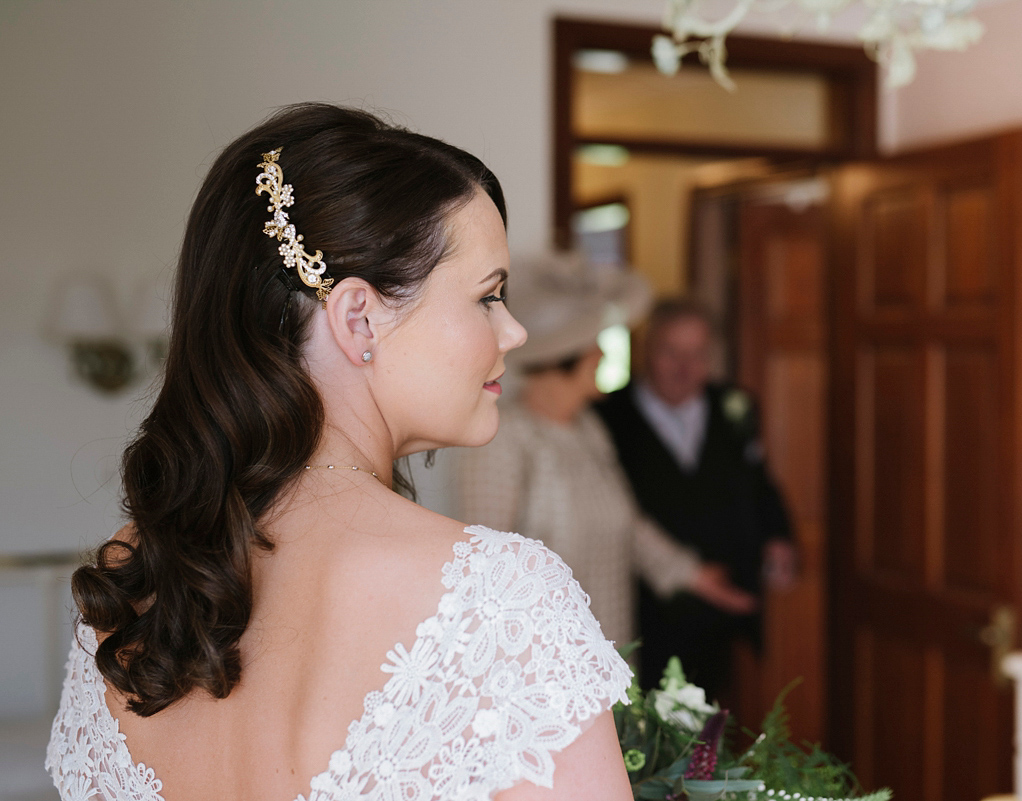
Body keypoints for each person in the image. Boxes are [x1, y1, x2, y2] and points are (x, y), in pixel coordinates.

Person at [46, 104, 634, 801]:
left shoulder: (138, 577)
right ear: (358, 318)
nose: (513, 331)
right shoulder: (501, 601)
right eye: (488, 296)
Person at [456, 259, 756, 648]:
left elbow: (629, 526)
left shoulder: (589, 430)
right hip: (543, 664)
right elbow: (486, 568)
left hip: (610, 653)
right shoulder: (504, 436)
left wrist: (692, 574)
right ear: (566, 355)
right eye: (595, 345)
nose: (603, 357)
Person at [594, 299, 794, 700]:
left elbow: (758, 481)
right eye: (672, 352)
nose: (684, 367)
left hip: (724, 604)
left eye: (697, 355)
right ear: (647, 349)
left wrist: (778, 536)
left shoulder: (734, 407)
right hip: (646, 610)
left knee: (713, 723)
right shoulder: (606, 416)